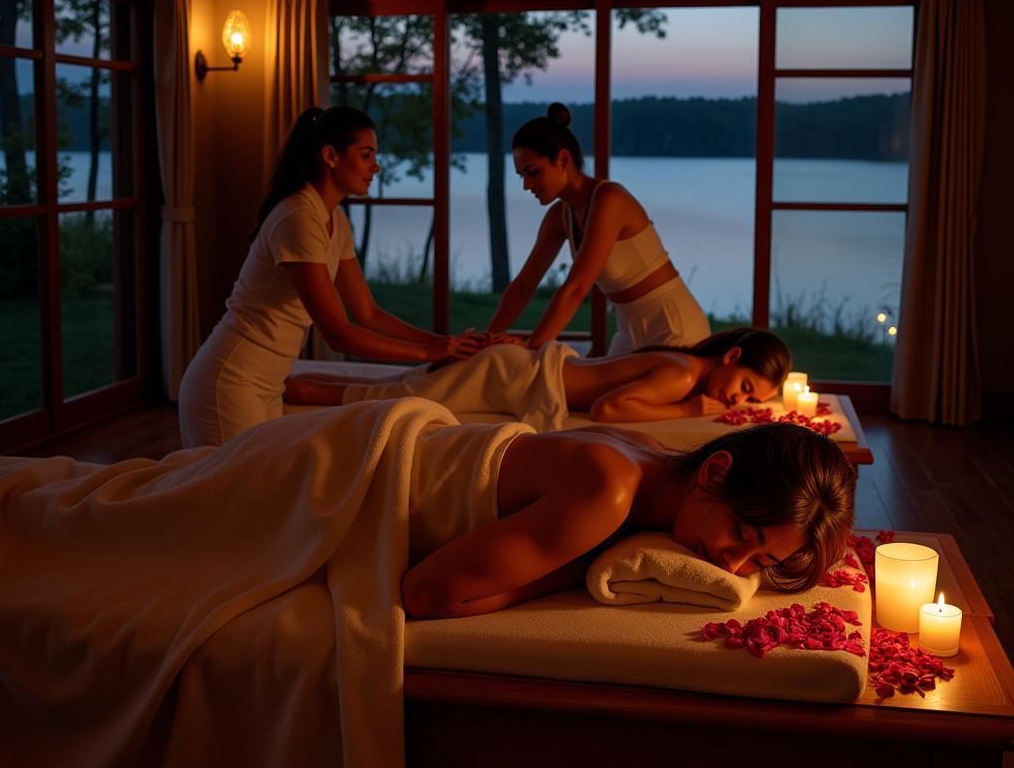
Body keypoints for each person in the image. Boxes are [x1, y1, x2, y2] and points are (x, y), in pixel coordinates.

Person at [179, 106, 482, 448]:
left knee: (265, 493)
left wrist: (440, 344)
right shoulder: (298, 218)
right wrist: (428, 353)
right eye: (366, 155)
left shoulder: (333, 219)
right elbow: (338, 333)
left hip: (269, 383)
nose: (376, 167)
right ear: (330, 156)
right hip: (230, 380)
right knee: (235, 498)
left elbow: (367, 313)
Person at [402, 420, 856, 618]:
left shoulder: (647, 450)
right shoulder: (609, 491)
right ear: (715, 471)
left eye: (760, 562)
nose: (731, 565)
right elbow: (428, 595)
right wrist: (574, 570)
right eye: (740, 534)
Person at [485, 102, 710, 354]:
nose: (527, 185)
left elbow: (576, 289)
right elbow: (523, 286)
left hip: (672, 325)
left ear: (563, 159)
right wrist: (483, 341)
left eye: (533, 172)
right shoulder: (559, 217)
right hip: (628, 329)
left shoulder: (610, 200)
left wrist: (533, 347)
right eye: (522, 176)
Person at [283, 326, 791, 431]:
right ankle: (301, 391)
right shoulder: (682, 377)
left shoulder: (685, 363)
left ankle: (305, 379)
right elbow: (609, 410)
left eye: (751, 400)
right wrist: (684, 412)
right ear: (733, 355)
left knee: (405, 383)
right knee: (396, 397)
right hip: (513, 380)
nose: (735, 400)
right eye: (745, 387)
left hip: (523, 371)